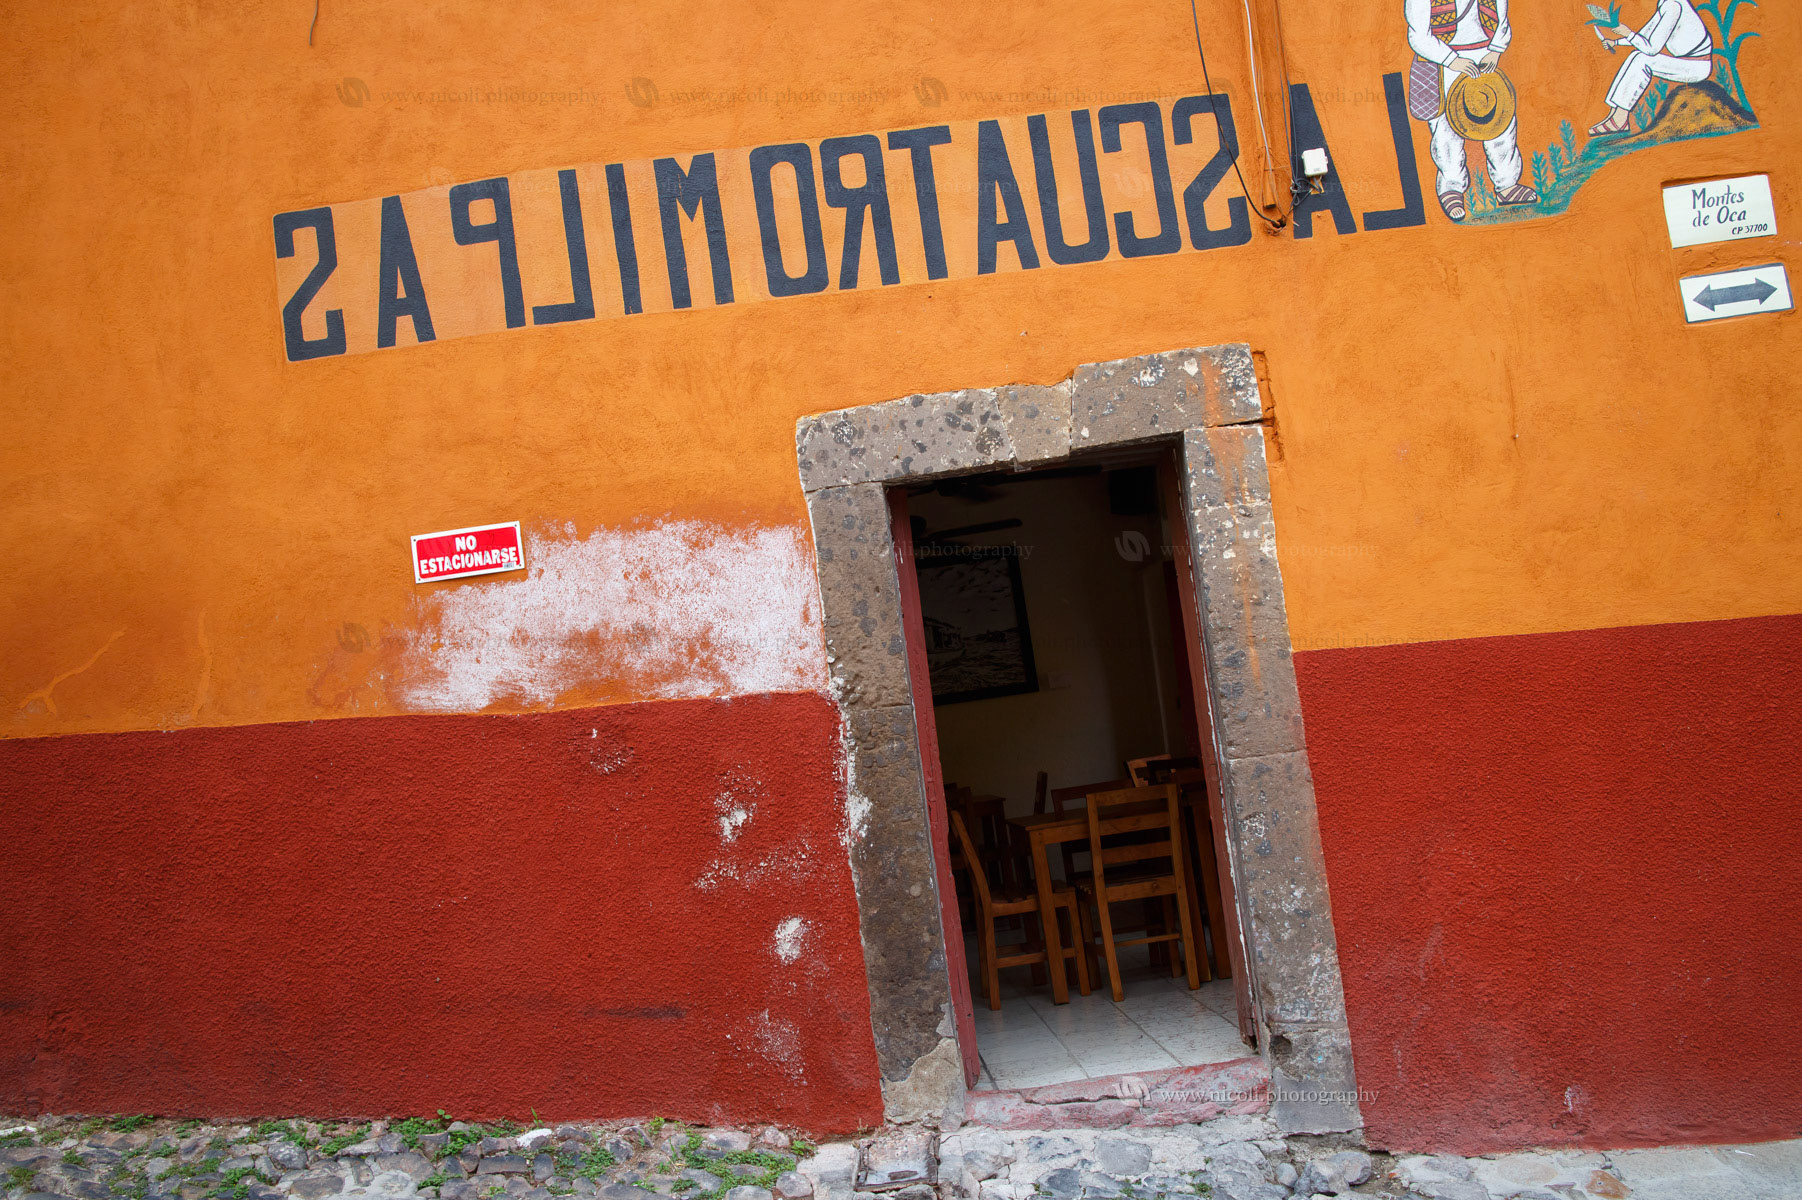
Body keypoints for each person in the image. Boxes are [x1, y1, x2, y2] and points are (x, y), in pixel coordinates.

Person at [1405, 0, 1539, 221]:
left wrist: (1496, 50)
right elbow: (1418, 35)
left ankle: (1507, 184)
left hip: (1485, 58)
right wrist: (1452, 60)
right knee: (1447, 131)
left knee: (1501, 123)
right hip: (1444, 63)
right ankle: (1451, 188)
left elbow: (1501, 18)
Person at [1590, 0, 1714, 135]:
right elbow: (1645, 35)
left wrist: (1628, 34)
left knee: (1642, 60)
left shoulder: (1673, 6)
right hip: (1688, 63)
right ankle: (1614, 115)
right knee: (1637, 54)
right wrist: (1615, 42)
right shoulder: (1666, 3)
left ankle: (1620, 119)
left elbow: (1651, 49)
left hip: (1696, 67)